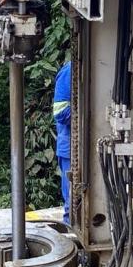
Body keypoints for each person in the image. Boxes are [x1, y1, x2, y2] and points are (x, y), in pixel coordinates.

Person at [53, 61, 72, 224]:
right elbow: (60, 112)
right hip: (71, 149)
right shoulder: (70, 71)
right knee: (73, 204)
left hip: (91, 148)